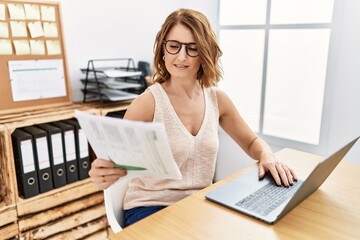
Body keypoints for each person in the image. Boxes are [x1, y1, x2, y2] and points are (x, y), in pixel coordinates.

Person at [89, 8, 297, 227]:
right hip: (150, 208)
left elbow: (251, 141)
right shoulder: (148, 103)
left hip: (200, 205)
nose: (181, 56)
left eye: (192, 48)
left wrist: (267, 155)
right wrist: (101, 174)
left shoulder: (218, 99)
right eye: (174, 46)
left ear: (204, 52)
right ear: (163, 49)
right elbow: (113, 163)